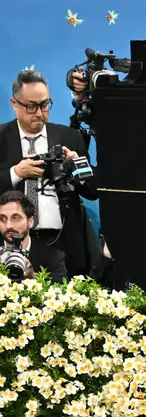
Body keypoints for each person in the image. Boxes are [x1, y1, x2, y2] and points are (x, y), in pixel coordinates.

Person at [0, 69, 101, 278]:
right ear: (14, 104)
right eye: (31, 106)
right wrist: (15, 173)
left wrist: (77, 165)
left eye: (45, 104)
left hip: (64, 243)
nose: (39, 113)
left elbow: (92, 192)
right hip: (11, 243)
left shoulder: (69, 136)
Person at [0, 190, 67, 282]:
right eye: (2, 219)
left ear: (30, 221)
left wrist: (33, 276)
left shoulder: (53, 256)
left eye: (16, 218)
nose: (8, 226)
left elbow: (62, 286)